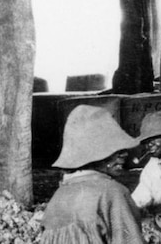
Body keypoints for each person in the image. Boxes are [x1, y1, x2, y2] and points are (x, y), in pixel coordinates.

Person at [40, 105, 145, 244]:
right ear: (97, 155)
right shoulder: (112, 193)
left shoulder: (58, 197)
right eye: (116, 150)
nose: (125, 154)